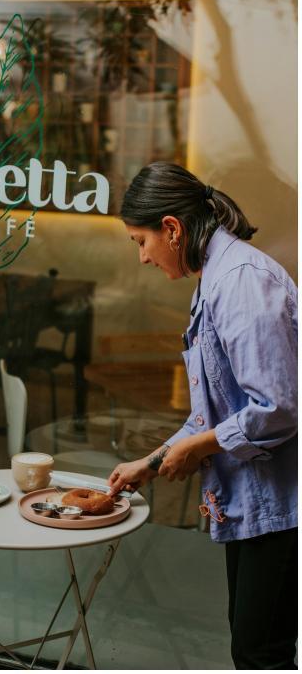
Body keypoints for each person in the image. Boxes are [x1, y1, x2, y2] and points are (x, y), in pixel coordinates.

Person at [107, 162, 297, 670]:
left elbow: (278, 408)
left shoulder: (241, 284)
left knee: (262, 652)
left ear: (172, 228)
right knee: (254, 644)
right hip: (263, 504)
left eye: (140, 241)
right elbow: (216, 412)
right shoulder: (215, 280)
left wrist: (194, 448)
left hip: (283, 507)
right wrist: (151, 462)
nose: (143, 258)